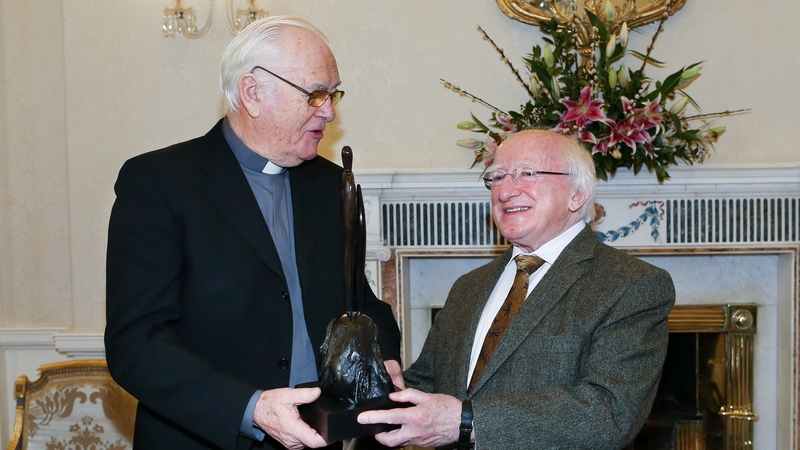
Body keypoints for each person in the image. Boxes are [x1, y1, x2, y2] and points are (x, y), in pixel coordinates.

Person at [105, 16, 402, 450]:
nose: (330, 110)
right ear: (252, 92)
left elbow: (360, 303)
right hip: (206, 437)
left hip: (318, 438)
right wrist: (251, 407)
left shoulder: (331, 186)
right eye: (315, 93)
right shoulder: (158, 182)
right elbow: (137, 344)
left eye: (333, 93)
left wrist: (383, 358)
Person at [358, 129, 675, 449]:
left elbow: (611, 412)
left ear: (577, 194)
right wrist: (366, 396)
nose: (505, 191)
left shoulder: (630, 284)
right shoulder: (469, 287)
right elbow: (427, 384)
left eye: (527, 173)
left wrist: (467, 422)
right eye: (496, 177)